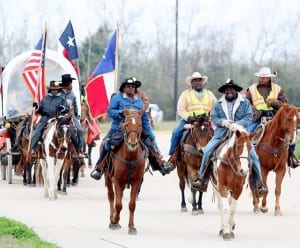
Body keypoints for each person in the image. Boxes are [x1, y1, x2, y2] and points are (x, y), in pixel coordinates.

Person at [191, 79, 268, 197]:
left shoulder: (245, 102)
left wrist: (237, 125)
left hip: (241, 134)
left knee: (254, 157)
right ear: (224, 91)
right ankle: (201, 179)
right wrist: (224, 122)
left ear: (235, 90)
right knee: (207, 151)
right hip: (222, 133)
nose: (229, 91)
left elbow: (249, 117)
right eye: (227, 90)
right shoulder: (218, 104)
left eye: (231, 89)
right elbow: (214, 117)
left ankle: (260, 185)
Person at [90, 77, 174, 180]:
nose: (131, 88)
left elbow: (144, 119)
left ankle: (160, 164)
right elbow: (110, 111)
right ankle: (99, 168)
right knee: (107, 143)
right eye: (128, 86)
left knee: (149, 144)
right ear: (124, 88)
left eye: (133, 87)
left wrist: (149, 133)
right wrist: (119, 113)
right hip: (118, 128)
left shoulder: (139, 102)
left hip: (136, 129)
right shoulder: (117, 98)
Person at [247, 67, 299, 168]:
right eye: (260, 77)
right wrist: (252, 108)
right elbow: (246, 104)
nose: (262, 79)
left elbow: (285, 104)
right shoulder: (251, 89)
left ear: (269, 78)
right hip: (257, 118)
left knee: (291, 137)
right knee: (247, 134)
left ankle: (290, 157)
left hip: (276, 118)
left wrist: (273, 103)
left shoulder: (278, 89)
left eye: (264, 77)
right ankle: (246, 159)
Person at [168, 71, 217, 163]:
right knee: (176, 133)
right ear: (191, 83)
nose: (198, 82)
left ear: (202, 82)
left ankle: (218, 156)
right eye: (195, 80)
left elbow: (216, 108)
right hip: (190, 121)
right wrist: (189, 117)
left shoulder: (210, 94)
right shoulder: (185, 94)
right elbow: (180, 109)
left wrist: (212, 118)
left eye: (200, 80)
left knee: (219, 133)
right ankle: (173, 156)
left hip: (206, 121)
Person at [29, 80, 70, 159]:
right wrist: (36, 106)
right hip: (45, 118)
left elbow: (67, 108)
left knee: (68, 130)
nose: (54, 91)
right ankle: (33, 149)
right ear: (50, 90)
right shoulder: (45, 99)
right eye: (53, 89)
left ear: (58, 90)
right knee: (36, 131)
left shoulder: (62, 98)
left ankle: (74, 150)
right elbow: (40, 109)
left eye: (56, 89)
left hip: (58, 118)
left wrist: (63, 108)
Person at [60, 74, 85, 158]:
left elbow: (75, 105)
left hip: (72, 115)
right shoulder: (59, 93)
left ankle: (79, 149)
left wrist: (77, 116)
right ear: (67, 84)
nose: (71, 85)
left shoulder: (72, 94)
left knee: (80, 130)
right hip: (61, 115)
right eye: (70, 83)